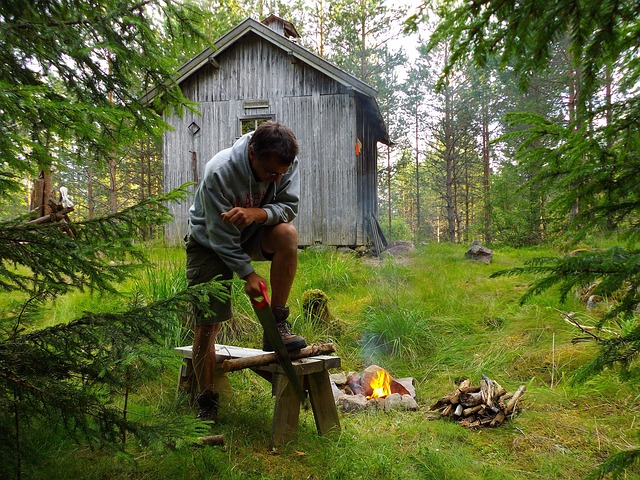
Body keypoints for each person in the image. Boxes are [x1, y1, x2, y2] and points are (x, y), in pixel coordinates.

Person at [185, 121, 307, 421]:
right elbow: (218, 236)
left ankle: (275, 325)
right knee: (207, 324)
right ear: (252, 152)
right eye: (270, 173)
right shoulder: (220, 170)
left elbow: (288, 207)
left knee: (287, 235)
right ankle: (207, 400)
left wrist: (259, 213)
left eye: (280, 173)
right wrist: (247, 273)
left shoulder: (284, 163)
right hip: (209, 243)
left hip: (252, 231)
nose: (275, 178)